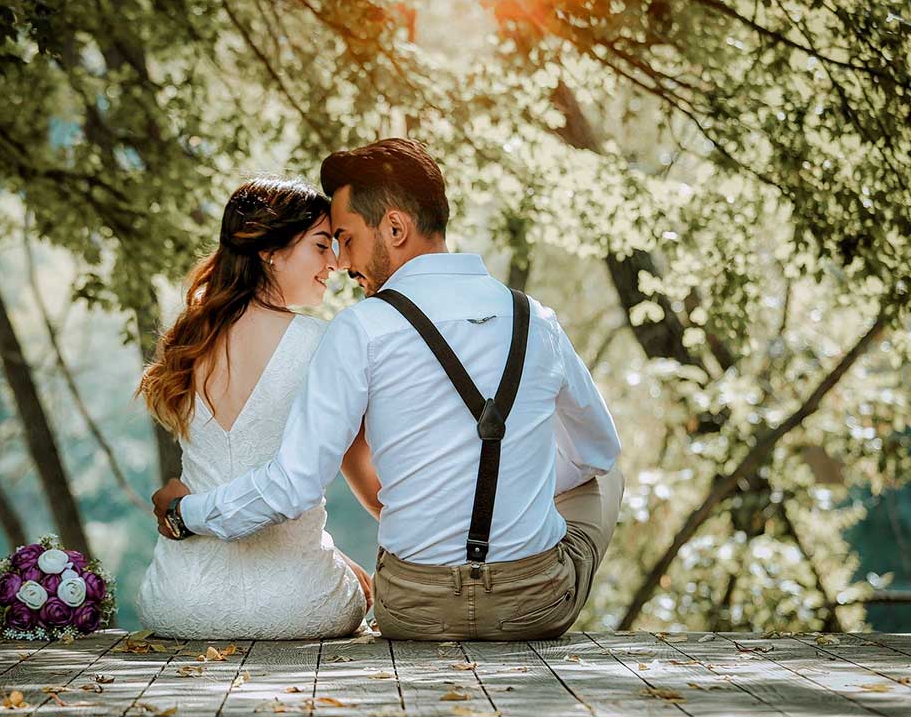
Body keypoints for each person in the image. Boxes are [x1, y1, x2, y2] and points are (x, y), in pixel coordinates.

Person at [152, 138, 624, 640]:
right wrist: (515, 489)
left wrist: (187, 512)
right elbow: (597, 451)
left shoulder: (359, 329)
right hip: (534, 606)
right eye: (328, 243)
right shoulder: (537, 320)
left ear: (395, 228)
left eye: (346, 238)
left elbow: (295, 484)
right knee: (605, 474)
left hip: (412, 609)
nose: (341, 261)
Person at [135, 177, 370, 639]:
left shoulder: (188, 340)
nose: (336, 263)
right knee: (364, 589)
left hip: (179, 602)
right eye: (322, 246)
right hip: (299, 606)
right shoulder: (321, 342)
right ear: (270, 251)